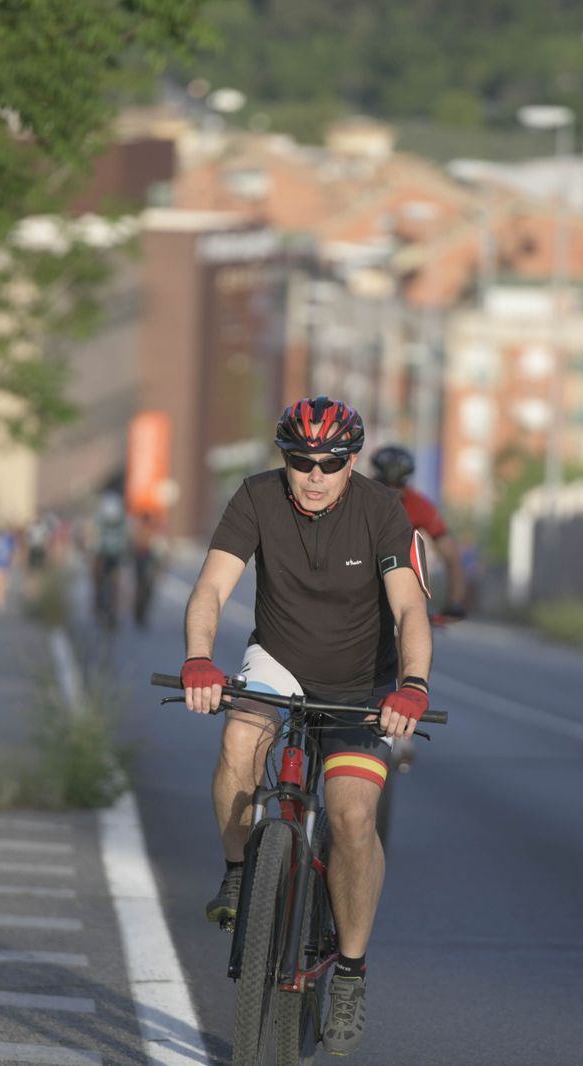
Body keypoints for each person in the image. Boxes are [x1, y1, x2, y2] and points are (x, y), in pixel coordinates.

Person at [180, 396, 433, 1057]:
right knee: (240, 737)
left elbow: (408, 609)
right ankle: (240, 872)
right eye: (300, 461)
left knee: (352, 816)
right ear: (283, 459)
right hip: (280, 661)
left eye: (331, 462)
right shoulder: (257, 498)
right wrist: (200, 660)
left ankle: (348, 972)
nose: (315, 475)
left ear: (352, 463)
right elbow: (210, 588)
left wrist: (412, 686)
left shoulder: (381, 510)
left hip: (363, 686)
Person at [369, 444, 469, 618]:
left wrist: (455, 602)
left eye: (398, 485)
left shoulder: (419, 505)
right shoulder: (358, 497)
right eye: (385, 484)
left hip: (399, 580)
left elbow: (451, 555)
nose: (391, 491)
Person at [92, 489, 130, 629]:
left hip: (116, 556)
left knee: (117, 584)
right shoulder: (101, 521)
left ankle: (115, 611)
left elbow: (126, 540)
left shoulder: (122, 522)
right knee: (97, 578)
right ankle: (98, 605)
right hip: (103, 555)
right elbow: (94, 537)